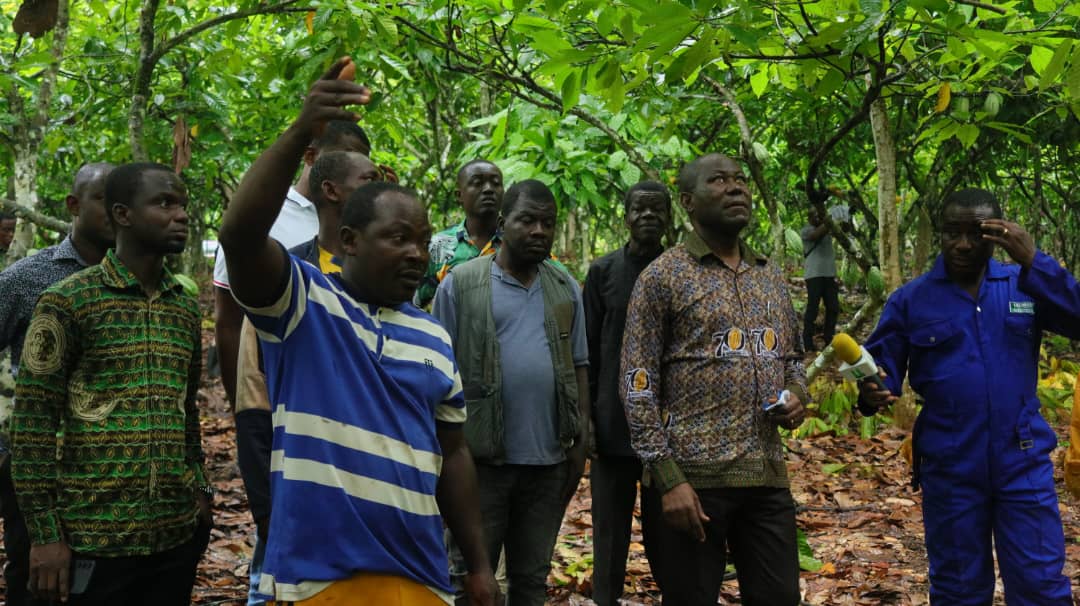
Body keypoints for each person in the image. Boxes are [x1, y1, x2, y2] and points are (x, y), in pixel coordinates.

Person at [218, 59, 497, 606]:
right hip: (317, 578)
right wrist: (301, 130)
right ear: (349, 241)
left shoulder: (433, 335)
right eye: (398, 238)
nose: (416, 253)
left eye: (422, 241)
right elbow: (240, 236)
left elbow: (454, 453)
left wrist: (480, 565)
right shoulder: (304, 302)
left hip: (419, 576)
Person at [858, 188, 1079, 604]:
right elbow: (880, 370)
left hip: (1022, 460)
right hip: (951, 464)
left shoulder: (1025, 286)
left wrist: (1034, 259)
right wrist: (872, 391)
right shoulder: (911, 300)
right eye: (951, 232)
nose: (962, 244)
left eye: (975, 233)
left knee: (1041, 586)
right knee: (959, 589)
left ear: (997, 234)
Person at [11, 162, 211, 605]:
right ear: (123, 214)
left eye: (183, 205)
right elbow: (32, 424)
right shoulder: (68, 301)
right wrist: (44, 535)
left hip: (173, 539)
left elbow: (186, 411)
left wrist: (200, 489)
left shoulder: (182, 308)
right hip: (92, 539)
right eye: (165, 203)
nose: (181, 215)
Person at [619, 153, 807, 606]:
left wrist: (797, 394)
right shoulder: (662, 276)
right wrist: (667, 478)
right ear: (688, 201)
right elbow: (637, 383)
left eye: (740, 180)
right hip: (691, 484)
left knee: (780, 597)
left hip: (765, 477)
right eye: (719, 180)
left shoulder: (769, 275)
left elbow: (793, 357)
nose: (736, 188)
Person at [432, 179, 590, 606]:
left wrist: (581, 438)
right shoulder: (461, 284)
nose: (539, 231)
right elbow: (438, 371)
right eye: (527, 220)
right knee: (471, 579)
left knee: (531, 580)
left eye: (547, 223)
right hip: (480, 464)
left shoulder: (564, 287)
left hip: (547, 463)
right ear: (503, 224)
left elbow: (579, 365)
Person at [233, 150, 381, 604]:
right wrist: (268, 513)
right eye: (369, 178)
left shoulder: (391, 283)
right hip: (298, 492)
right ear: (331, 190)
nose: (379, 187)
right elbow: (253, 397)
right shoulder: (286, 277)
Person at [0, 163, 115, 606]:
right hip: (40, 472)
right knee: (39, 586)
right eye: (103, 199)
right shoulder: (28, 278)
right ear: (74, 205)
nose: (116, 210)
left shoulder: (147, 278)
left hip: (115, 476)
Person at [213, 120, 373, 411]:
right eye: (344, 155)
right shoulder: (265, 217)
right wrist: (242, 406)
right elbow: (229, 321)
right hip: (277, 392)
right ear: (310, 156)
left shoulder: (359, 227)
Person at [583, 180, 670, 606]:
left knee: (667, 531)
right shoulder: (603, 272)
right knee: (609, 531)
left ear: (670, 218)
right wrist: (587, 417)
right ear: (626, 216)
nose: (648, 216)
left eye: (657, 209)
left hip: (668, 428)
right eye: (640, 209)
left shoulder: (680, 271)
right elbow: (588, 348)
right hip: (612, 423)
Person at [414, 159, 504, 309]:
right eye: (477, 183)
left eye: (495, 183)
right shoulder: (437, 247)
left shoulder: (517, 243)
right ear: (459, 195)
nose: (488, 189)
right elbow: (414, 304)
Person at [801, 205, 840, 350]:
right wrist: (833, 218)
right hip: (814, 275)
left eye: (820, 215)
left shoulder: (829, 229)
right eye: (815, 215)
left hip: (829, 274)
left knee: (833, 307)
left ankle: (829, 338)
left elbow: (844, 230)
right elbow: (815, 235)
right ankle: (807, 342)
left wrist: (845, 217)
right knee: (813, 308)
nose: (818, 218)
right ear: (809, 218)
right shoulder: (806, 230)